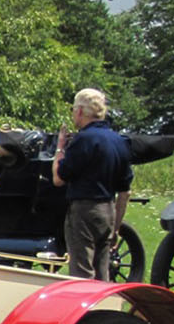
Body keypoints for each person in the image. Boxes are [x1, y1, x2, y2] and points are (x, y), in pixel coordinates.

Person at [53, 88, 131, 280]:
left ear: (80, 111)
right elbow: (125, 191)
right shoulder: (119, 141)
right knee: (102, 270)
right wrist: (116, 226)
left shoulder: (84, 139)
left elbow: (58, 179)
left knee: (82, 270)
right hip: (108, 210)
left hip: (84, 210)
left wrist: (60, 148)